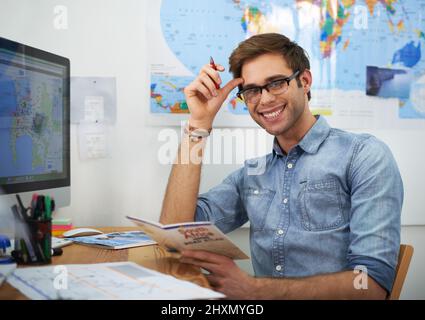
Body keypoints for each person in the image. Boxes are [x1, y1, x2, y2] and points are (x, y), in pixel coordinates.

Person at [160, 33, 403, 299]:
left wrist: (253, 290)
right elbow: (175, 231)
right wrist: (198, 126)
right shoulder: (253, 173)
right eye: (252, 90)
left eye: (276, 83)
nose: (264, 100)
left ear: (305, 81)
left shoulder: (364, 156)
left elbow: (370, 286)